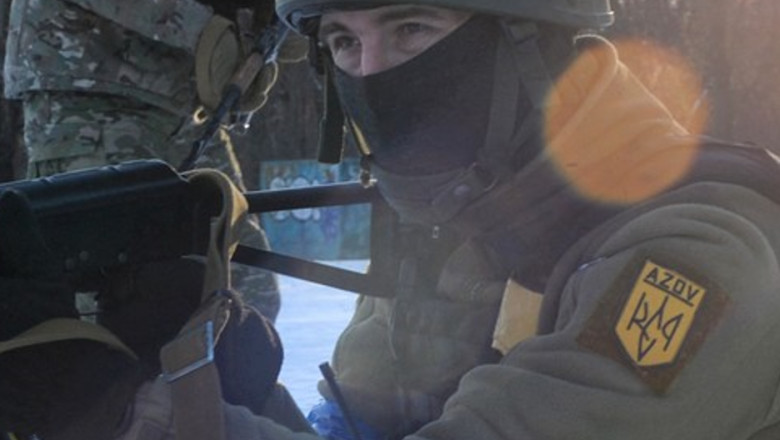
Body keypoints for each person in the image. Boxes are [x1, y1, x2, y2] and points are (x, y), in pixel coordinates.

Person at [6, 0, 780, 439]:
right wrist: (222, 382)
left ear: (536, 45)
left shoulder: (696, 250)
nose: (374, 75)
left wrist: (132, 413)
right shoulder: (458, 230)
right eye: (345, 42)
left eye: (413, 28)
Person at [2, 0, 283, 321]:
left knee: (248, 289)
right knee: (106, 309)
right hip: (90, 104)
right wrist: (207, 33)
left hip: (185, 109)